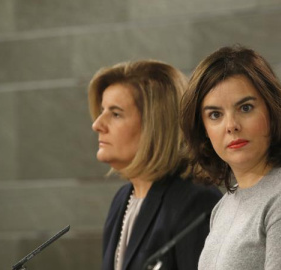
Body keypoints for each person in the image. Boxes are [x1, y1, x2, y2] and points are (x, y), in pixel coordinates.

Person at [180, 45, 281, 269]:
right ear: (203, 129)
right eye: (215, 115)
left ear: (272, 109)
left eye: (245, 108)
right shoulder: (225, 205)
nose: (231, 126)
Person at [88, 60, 222, 270]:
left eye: (115, 114)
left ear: (156, 126)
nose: (97, 125)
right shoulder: (122, 200)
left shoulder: (195, 201)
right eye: (102, 110)